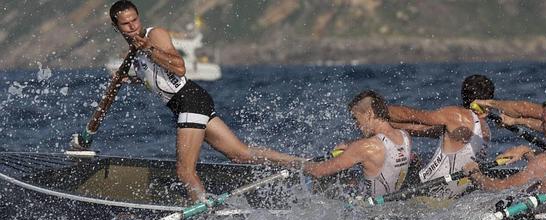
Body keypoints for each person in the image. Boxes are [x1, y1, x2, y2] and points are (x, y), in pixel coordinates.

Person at [75, 0, 300, 201]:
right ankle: (306, 165)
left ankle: (206, 218)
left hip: (190, 100)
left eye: (135, 20)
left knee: (184, 172)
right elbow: (157, 78)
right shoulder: (134, 56)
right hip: (189, 104)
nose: (133, 26)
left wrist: (149, 48)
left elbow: (179, 68)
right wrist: (128, 78)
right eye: (126, 24)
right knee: (240, 155)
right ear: (117, 28)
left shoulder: (154, 36)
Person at [385, 75, 494, 197]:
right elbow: (422, 129)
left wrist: (378, 111)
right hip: (453, 194)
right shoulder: (486, 130)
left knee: (411, 160)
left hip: (424, 188)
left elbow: (412, 115)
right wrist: (387, 126)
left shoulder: (456, 116)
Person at [303, 90, 412, 197]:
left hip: (370, 211)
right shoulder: (405, 137)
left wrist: (291, 162)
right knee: (349, 176)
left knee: (325, 177)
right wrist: (351, 145)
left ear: (369, 114)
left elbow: (318, 171)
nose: (356, 125)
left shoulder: (364, 147)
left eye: (356, 118)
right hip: (391, 199)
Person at [465, 96, 546, 192]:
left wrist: (475, 174)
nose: (542, 126)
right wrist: (526, 151)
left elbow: (498, 187)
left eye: (544, 122)